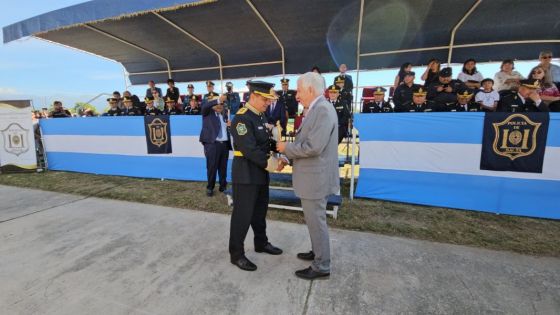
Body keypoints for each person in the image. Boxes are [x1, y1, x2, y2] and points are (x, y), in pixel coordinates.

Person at [276, 72, 339, 280]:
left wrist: (286, 148)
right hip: (313, 177)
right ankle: (317, 252)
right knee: (313, 221)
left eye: (300, 90)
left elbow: (313, 147)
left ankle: (322, 266)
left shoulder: (322, 110)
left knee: (316, 221)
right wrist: (288, 158)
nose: (297, 95)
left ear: (311, 90)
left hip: (315, 180)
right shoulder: (317, 109)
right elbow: (307, 143)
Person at [229, 80, 283, 271]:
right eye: (265, 100)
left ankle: (261, 243)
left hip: (259, 174)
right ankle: (236, 254)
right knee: (242, 216)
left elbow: (264, 143)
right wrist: (271, 163)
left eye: (269, 100)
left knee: (259, 213)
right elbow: (249, 148)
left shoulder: (259, 116)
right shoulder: (242, 118)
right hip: (245, 174)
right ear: (254, 96)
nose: (268, 103)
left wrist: (279, 151)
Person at [200, 93, 231, 196]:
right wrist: (218, 100)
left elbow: (226, 130)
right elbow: (205, 106)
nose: (220, 106)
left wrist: (229, 126)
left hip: (224, 145)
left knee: (223, 167)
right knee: (212, 167)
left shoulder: (225, 115)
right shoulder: (207, 113)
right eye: (218, 104)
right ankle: (210, 187)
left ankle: (223, 186)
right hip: (212, 144)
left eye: (222, 105)